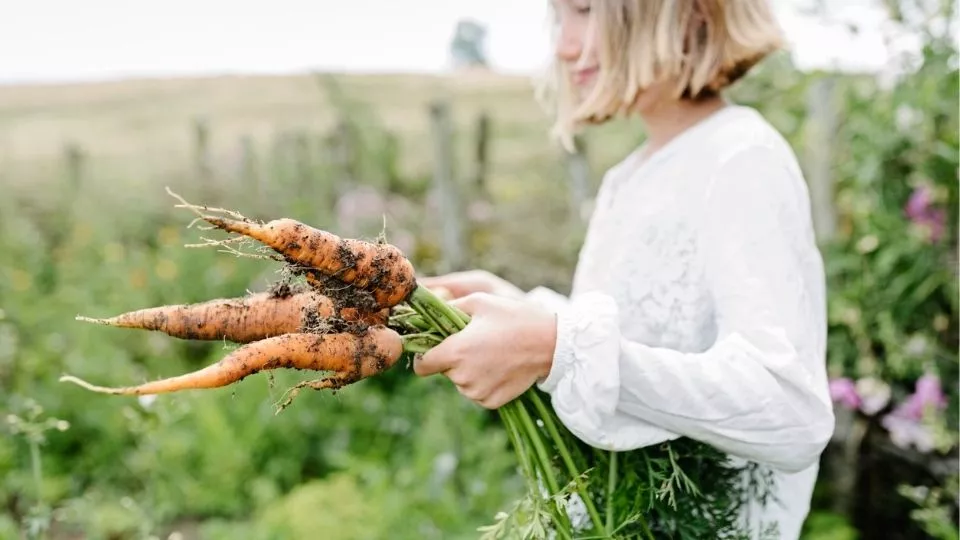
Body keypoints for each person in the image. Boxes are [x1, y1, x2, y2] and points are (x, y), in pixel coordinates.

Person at [414, 0, 836, 538]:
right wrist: (526, 311)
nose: (565, 46)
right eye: (560, 18)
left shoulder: (741, 159)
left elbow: (790, 409)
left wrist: (552, 346)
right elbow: (637, 341)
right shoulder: (629, 177)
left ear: (683, 13)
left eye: (586, 10)